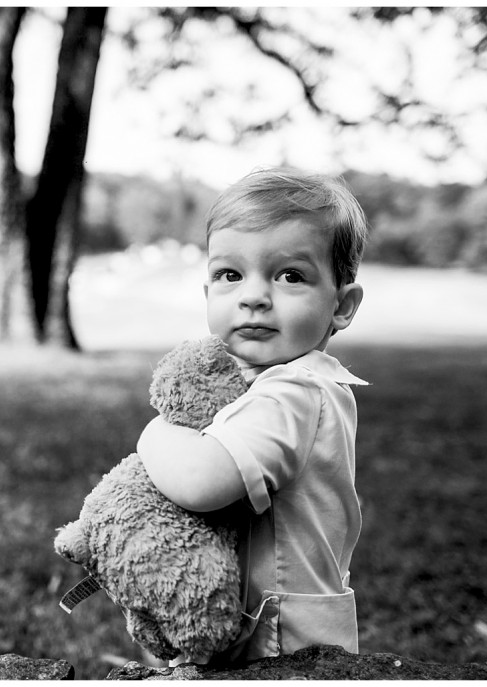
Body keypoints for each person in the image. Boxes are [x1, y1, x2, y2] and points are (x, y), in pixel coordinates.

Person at [137, 167, 369, 664]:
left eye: (290, 276)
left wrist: (156, 432)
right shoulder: (268, 381)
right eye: (230, 275)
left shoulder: (297, 392)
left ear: (341, 305)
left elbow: (200, 480)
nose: (253, 296)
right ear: (208, 296)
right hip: (255, 626)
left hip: (285, 645)